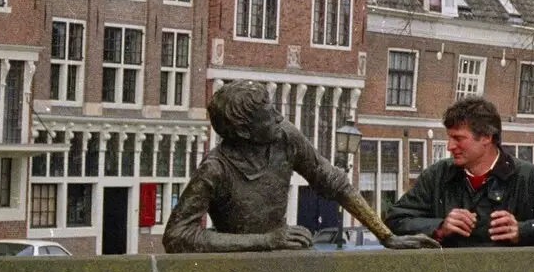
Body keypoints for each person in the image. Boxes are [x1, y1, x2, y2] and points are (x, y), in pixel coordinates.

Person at [165, 81, 434, 253]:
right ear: (244, 132)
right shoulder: (215, 169)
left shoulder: (285, 137)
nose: (279, 118)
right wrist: (267, 240)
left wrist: (387, 237)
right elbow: (177, 236)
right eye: (268, 117)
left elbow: (335, 183)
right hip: (237, 268)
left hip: (283, 259)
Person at [385, 97, 534, 247]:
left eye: (458, 138)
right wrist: (439, 227)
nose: (450, 146)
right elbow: (394, 221)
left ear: (486, 137)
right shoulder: (436, 176)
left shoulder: (532, 180)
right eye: (449, 137)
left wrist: (522, 231)